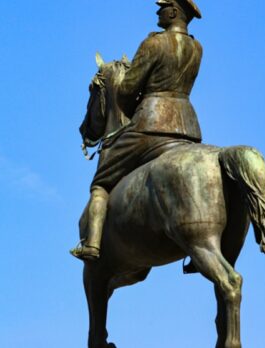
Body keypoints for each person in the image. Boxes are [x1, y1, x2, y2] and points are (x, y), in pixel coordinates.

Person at [71, 0, 203, 261]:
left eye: (163, 6)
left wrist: (133, 109)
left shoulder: (154, 43)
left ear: (175, 12)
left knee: (101, 182)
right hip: (188, 129)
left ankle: (92, 244)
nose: (158, 10)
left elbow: (127, 89)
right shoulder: (197, 48)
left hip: (151, 124)